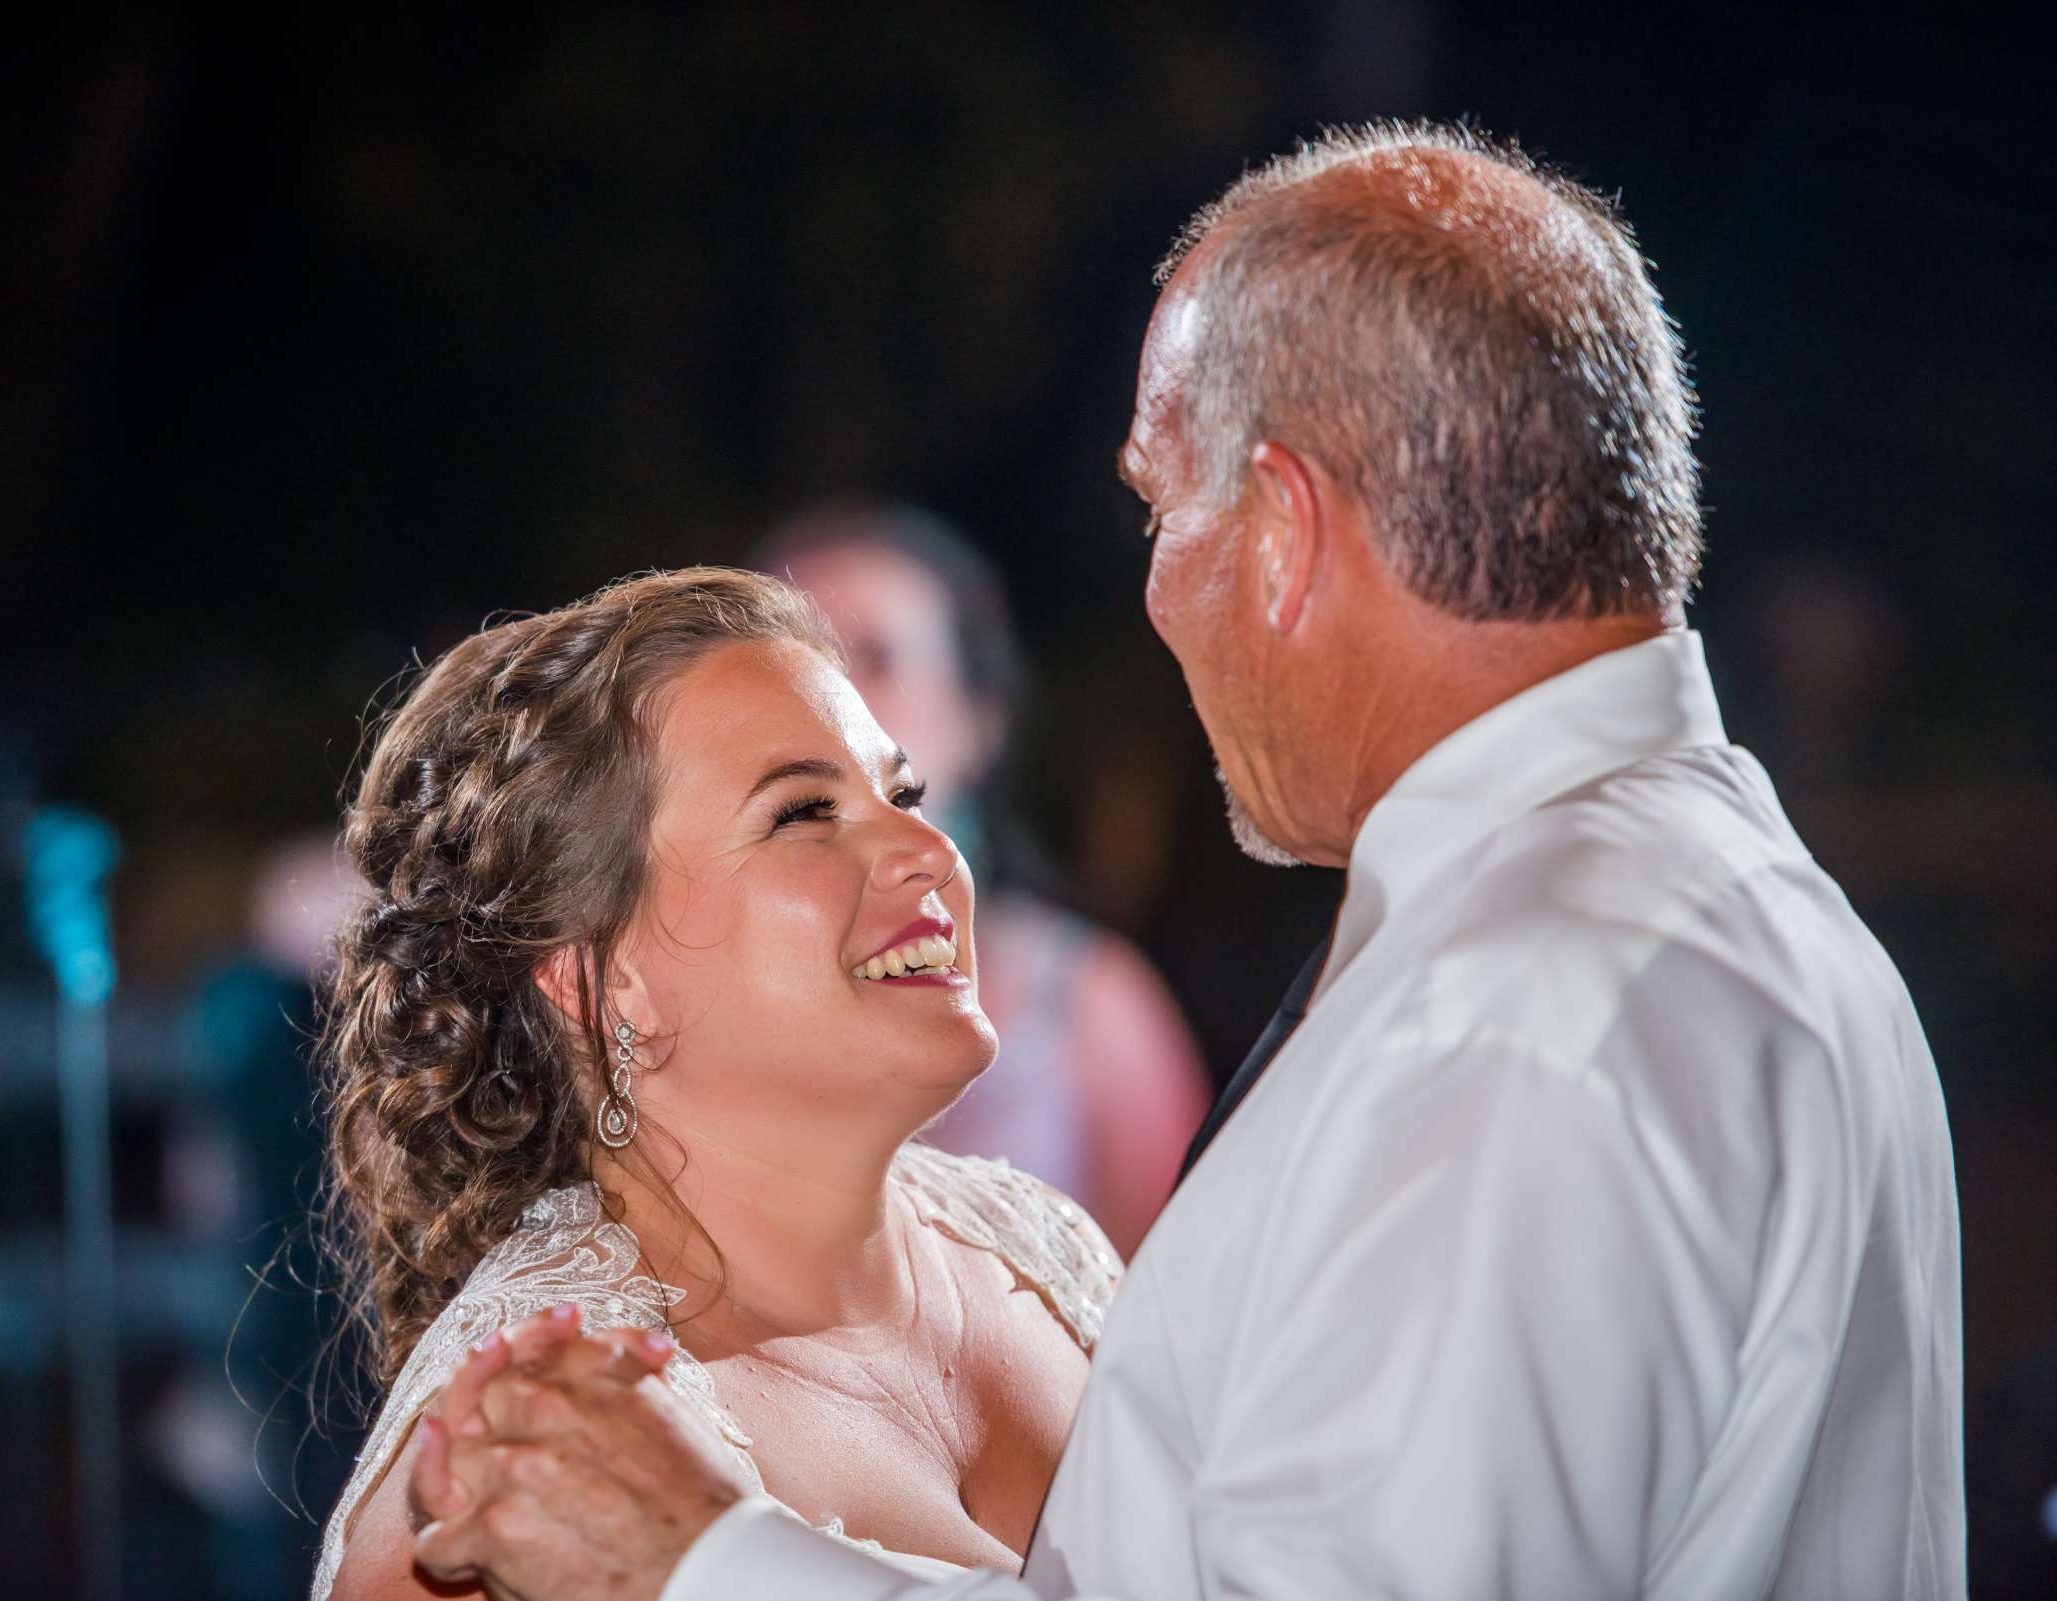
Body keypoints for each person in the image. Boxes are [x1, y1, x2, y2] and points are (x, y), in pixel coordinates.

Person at [398, 122, 1966, 1599]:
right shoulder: (1735, 920)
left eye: (1162, 503)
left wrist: (711, 1564)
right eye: (802, 807)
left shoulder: (1520, 1019)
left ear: (1283, 532)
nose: (1156, 592)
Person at [309, 567, 1124, 1599]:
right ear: (604, 976)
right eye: (802, 814)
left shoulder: (1044, 1254)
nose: (928, 849)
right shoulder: (537, 1463)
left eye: (903, 792)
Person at [754, 504, 1210, 1256]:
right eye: (783, 660)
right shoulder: (677, 994)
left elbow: (1188, 1314)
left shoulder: (1083, 1007)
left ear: (978, 719)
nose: (823, 697)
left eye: (874, 656)